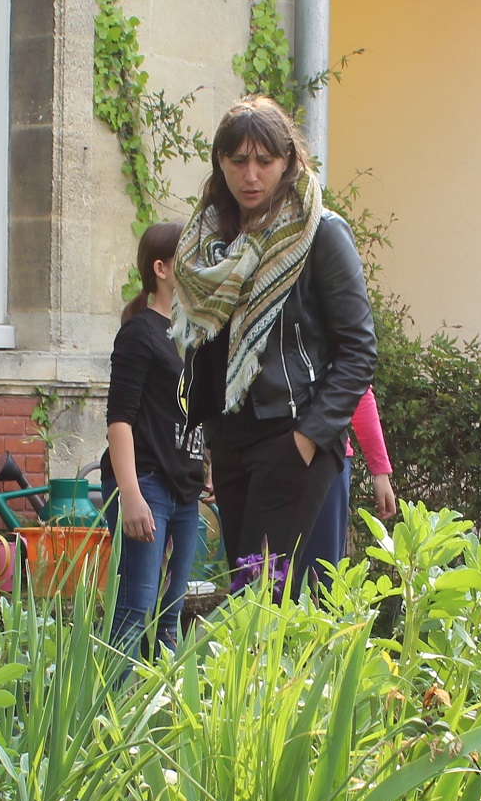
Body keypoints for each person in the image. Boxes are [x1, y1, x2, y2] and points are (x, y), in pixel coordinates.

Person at [173, 97, 376, 598]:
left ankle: (278, 679)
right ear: (220, 163)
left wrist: (308, 438)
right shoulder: (210, 244)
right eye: (238, 160)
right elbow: (212, 351)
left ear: (287, 161)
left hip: (293, 433)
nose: (251, 174)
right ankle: (265, 679)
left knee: (262, 595)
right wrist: (213, 436)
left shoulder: (321, 233)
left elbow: (358, 350)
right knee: (253, 592)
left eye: (264, 160)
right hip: (235, 438)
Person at [104, 223, 209, 654]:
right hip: (146, 484)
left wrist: (208, 467)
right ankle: (111, 715)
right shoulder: (139, 333)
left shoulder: (195, 335)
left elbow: (198, 409)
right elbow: (119, 420)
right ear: (162, 268)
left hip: (185, 491)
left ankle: (160, 713)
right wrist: (130, 493)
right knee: (134, 607)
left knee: (171, 615)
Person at [301, 389, 400, 589]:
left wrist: (380, 470)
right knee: (261, 568)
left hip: (327, 459)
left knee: (322, 574)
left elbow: (358, 391)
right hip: (266, 455)